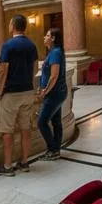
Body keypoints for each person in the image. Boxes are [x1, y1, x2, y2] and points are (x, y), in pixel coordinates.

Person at [0, 15, 38, 176]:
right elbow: (35, 68)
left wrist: (0, 90)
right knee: (26, 128)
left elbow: (3, 70)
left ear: (13, 26)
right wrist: (29, 84)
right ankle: (24, 162)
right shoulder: (31, 45)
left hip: (11, 93)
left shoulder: (8, 45)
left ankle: (7, 166)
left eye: (9, 23)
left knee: (7, 131)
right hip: (27, 91)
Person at [37, 28, 67, 161]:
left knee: (42, 122)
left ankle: (53, 150)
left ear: (53, 38)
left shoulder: (55, 53)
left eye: (47, 35)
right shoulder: (55, 52)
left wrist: (44, 91)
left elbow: (54, 76)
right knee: (56, 122)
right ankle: (56, 151)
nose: (44, 37)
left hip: (54, 93)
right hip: (58, 92)